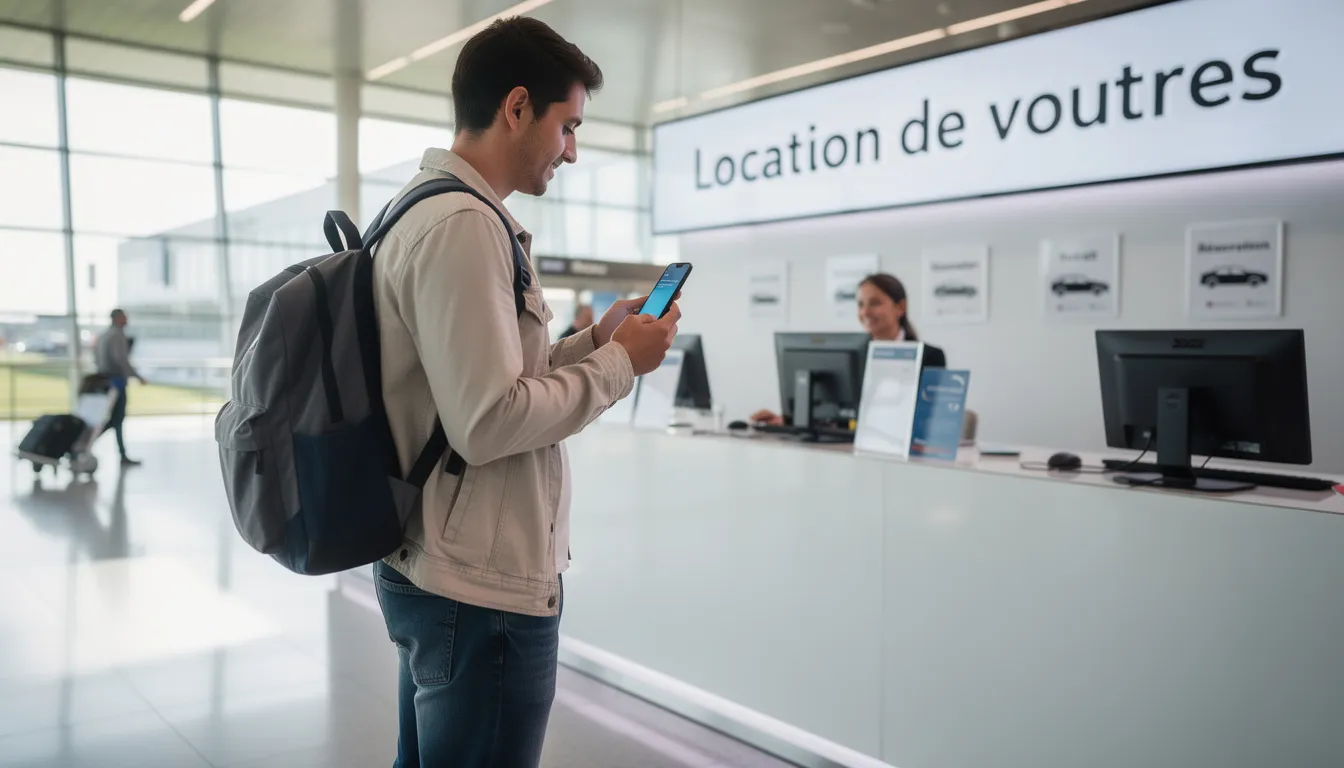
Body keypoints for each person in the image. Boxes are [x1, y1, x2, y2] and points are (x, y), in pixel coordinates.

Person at [369, 17, 679, 768]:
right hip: (480, 588)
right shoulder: (463, 226)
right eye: (567, 126)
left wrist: (594, 343)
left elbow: (481, 383)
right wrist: (620, 367)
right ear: (516, 107)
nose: (571, 151)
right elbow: (487, 422)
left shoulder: (426, 208)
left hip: (439, 560)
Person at [751, 273, 945, 427]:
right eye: (860, 304)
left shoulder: (929, 356)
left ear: (900, 307)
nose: (865, 312)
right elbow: (836, 412)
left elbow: (931, 420)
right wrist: (789, 420)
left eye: (875, 303)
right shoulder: (853, 355)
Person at [94, 309, 144, 467]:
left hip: (103, 380)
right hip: (116, 382)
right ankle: (84, 445)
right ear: (117, 318)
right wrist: (137, 377)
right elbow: (121, 360)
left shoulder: (103, 335)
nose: (127, 320)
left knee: (115, 419)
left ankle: (122, 453)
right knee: (116, 419)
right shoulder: (117, 335)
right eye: (124, 317)